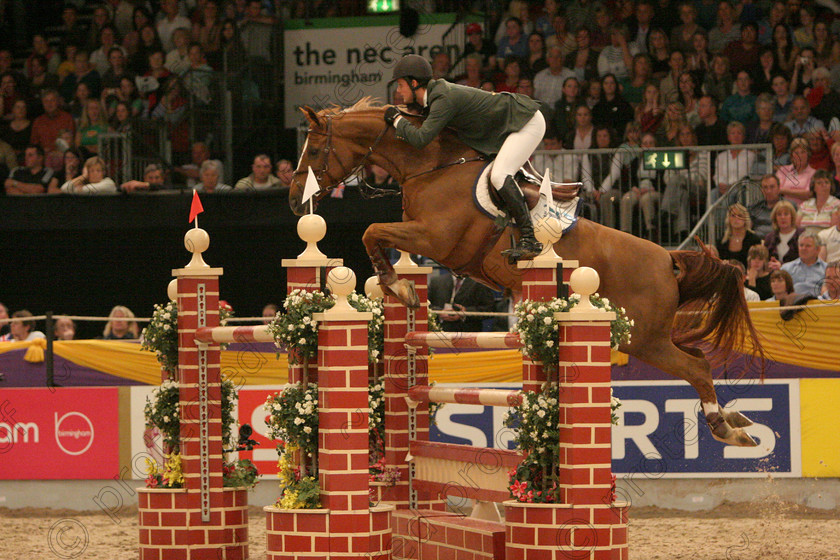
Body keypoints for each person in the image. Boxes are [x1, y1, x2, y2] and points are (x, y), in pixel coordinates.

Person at [385, 54, 545, 260]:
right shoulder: (436, 97)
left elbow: (421, 139)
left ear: (414, 83)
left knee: (499, 175)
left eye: (400, 85)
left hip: (526, 121)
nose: (398, 91)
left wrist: (397, 119)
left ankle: (530, 238)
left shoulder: (442, 98)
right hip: (509, 125)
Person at [660, 125, 709, 239]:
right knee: (683, 194)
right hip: (680, 190)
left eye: (688, 134)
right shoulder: (675, 154)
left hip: (697, 189)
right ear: (679, 138)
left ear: (693, 136)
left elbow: (702, 176)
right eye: (682, 134)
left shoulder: (702, 153)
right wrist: (681, 182)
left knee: (677, 179)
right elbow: (667, 177)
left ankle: (665, 212)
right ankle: (682, 232)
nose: (685, 137)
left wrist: (682, 179)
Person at [620, 132, 661, 237]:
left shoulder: (661, 161)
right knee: (627, 198)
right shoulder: (636, 161)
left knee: (646, 199)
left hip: (654, 190)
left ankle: (651, 232)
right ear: (641, 146)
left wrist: (649, 190)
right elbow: (630, 179)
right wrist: (635, 189)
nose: (648, 146)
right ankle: (626, 233)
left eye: (651, 143)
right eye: (645, 143)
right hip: (638, 190)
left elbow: (662, 182)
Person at [428, 274, 497, 332]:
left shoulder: (480, 283)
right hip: (439, 334)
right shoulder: (436, 281)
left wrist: (465, 313)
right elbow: (426, 305)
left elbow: (489, 309)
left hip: (469, 335)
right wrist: (439, 312)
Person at [713, 122, 756, 200]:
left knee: (732, 193)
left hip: (741, 188)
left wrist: (732, 186)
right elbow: (718, 175)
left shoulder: (750, 155)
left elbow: (746, 175)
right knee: (713, 194)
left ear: (743, 137)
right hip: (723, 188)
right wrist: (721, 185)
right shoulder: (721, 156)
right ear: (729, 137)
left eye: (739, 133)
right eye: (733, 133)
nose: (736, 136)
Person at [716, 203, 764, 267]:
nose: (736, 219)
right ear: (728, 219)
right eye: (733, 215)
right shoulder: (722, 241)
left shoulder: (754, 240)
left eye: (740, 215)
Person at [30, 89, 75, 155]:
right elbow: (34, 143)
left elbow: (70, 142)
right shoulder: (38, 121)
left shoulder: (67, 118)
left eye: (52, 100)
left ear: (58, 101)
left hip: (63, 155)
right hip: (43, 157)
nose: (49, 104)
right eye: (46, 101)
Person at [777, 137, 817, 205]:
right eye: (796, 153)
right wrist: (799, 193)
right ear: (792, 155)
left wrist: (784, 191)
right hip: (784, 209)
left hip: (804, 210)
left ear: (808, 154)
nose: (800, 156)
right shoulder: (783, 170)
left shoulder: (814, 173)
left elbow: (808, 194)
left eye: (803, 152)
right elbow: (776, 189)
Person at [764, 200, 803, 266]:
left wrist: (782, 266)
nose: (783, 217)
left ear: (792, 216)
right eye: (779, 214)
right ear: (775, 218)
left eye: (786, 214)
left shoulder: (802, 235)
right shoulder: (769, 238)